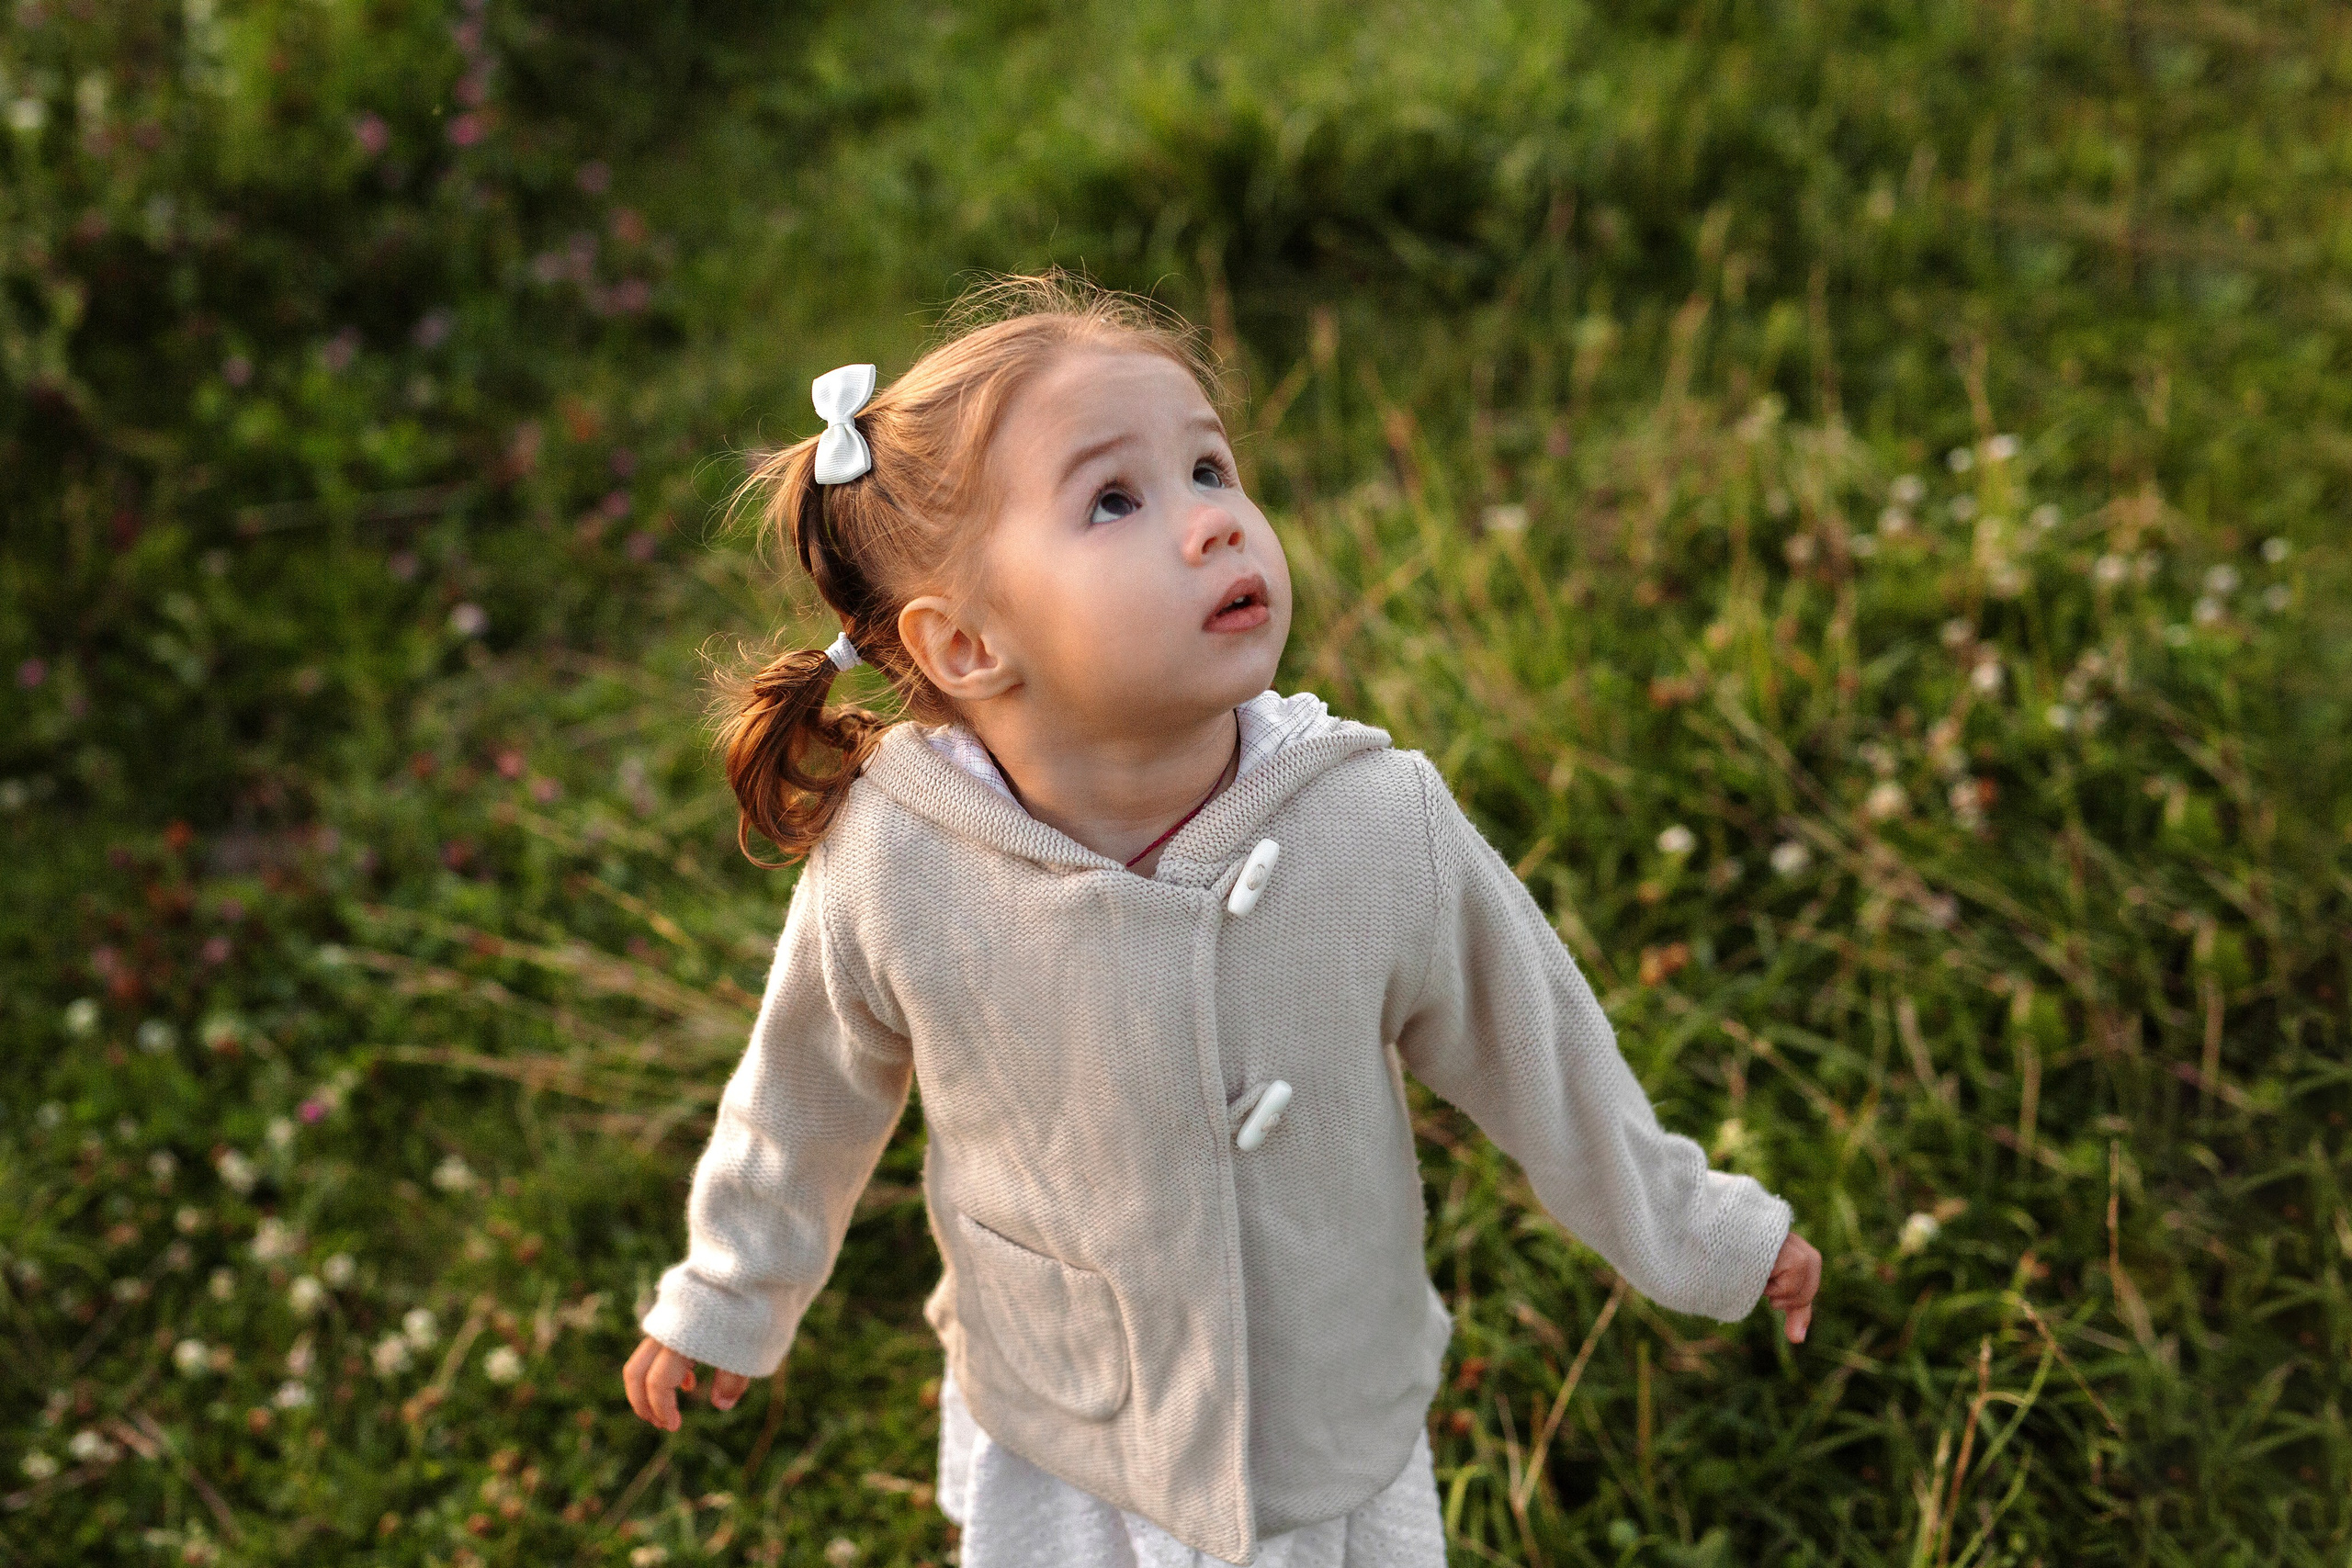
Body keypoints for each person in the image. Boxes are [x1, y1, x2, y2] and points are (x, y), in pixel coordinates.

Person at [619, 271, 1822, 1566]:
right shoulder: (900, 861)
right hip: (1074, 1417)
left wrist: (1703, 1235)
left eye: (1211, 468)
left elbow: (1548, 1057)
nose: (1211, 526)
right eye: (1116, 500)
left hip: (1316, 1422)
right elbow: (800, 1098)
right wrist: (730, 1297)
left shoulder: (1372, 825)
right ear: (965, 645)